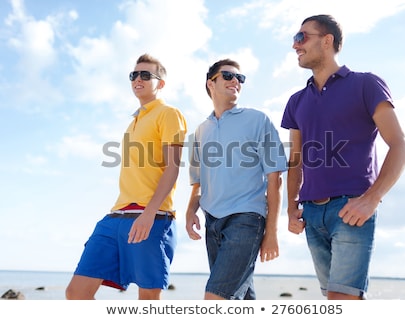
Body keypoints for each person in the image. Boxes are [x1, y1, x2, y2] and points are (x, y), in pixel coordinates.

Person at [281, 14, 405, 300]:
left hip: (352, 208)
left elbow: (400, 146)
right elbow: (295, 160)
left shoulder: (366, 84)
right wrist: (290, 207)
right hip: (312, 215)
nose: (295, 45)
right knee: (338, 300)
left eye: (302, 37)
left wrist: (372, 199)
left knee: (342, 300)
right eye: (294, 38)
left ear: (327, 41)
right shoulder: (296, 101)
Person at [65, 54, 187, 300]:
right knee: (76, 293)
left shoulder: (168, 113)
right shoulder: (134, 121)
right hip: (116, 216)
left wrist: (149, 213)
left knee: (148, 300)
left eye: (146, 75)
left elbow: (173, 168)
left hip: (151, 216)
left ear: (161, 83)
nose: (138, 79)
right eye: (134, 75)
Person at [185, 59, 287, 300]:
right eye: (229, 76)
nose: (236, 82)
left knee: (216, 298)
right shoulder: (200, 131)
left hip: (247, 219)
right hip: (212, 222)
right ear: (211, 82)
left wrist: (271, 233)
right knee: (241, 300)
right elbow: (198, 183)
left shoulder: (258, 119)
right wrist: (191, 211)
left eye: (240, 79)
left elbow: (275, 180)